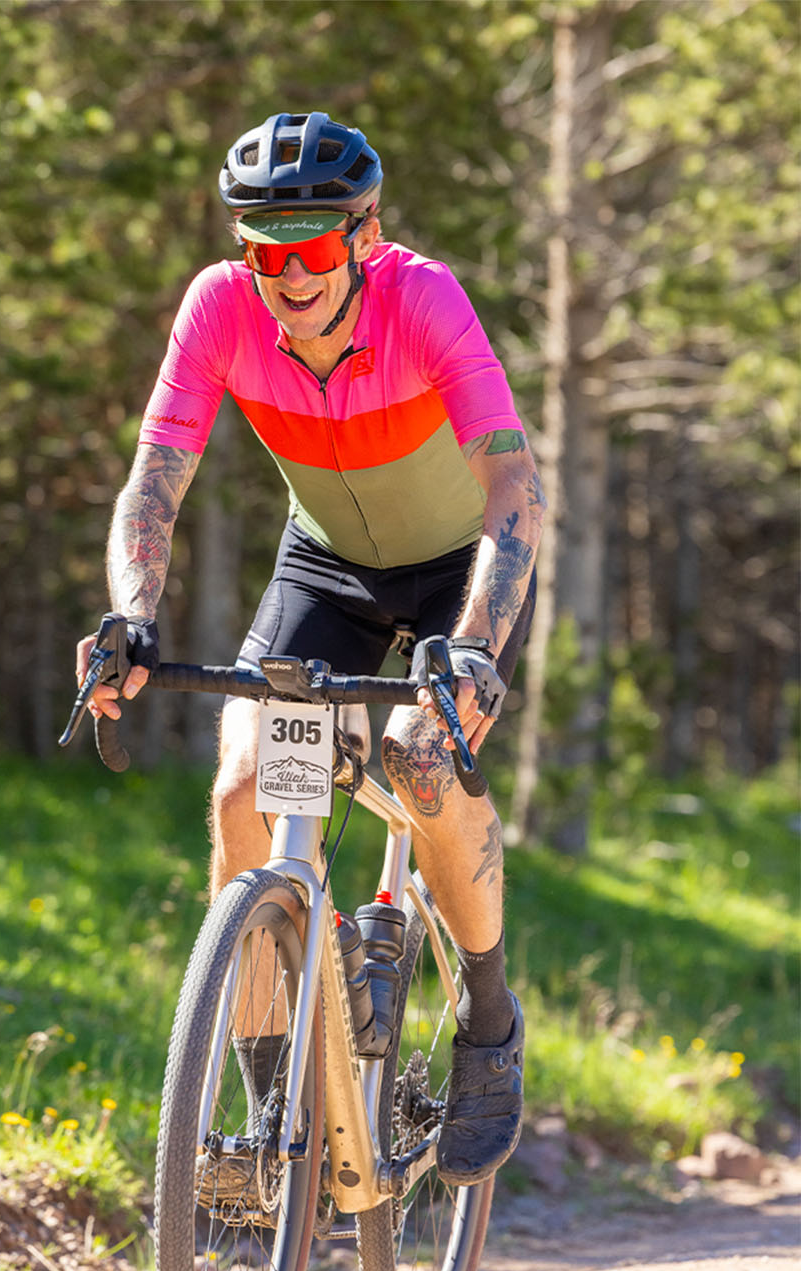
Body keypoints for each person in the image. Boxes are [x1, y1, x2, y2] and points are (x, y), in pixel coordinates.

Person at [76, 111, 545, 1186]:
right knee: (244, 786)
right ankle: (265, 1101)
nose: (288, 271)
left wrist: (471, 648)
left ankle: (486, 1016)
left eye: (313, 245)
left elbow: (514, 483)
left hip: (452, 570)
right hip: (326, 564)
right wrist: (131, 615)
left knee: (423, 763)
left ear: (362, 235)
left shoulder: (421, 296)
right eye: (266, 246)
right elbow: (154, 483)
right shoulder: (218, 308)